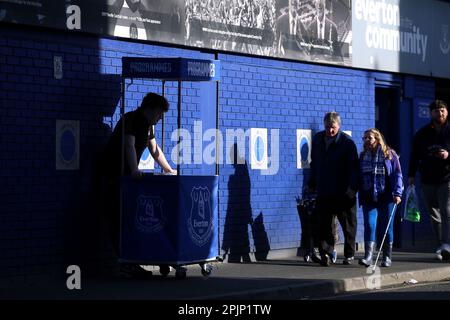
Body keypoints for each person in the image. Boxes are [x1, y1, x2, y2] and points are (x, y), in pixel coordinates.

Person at [101, 92, 176, 277]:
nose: (160, 117)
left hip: (129, 179)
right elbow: (129, 145)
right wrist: (134, 170)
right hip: (114, 175)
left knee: (132, 217)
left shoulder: (149, 126)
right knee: (119, 218)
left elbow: (154, 149)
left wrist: (169, 170)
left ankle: (133, 260)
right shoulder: (131, 119)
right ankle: (125, 261)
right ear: (149, 109)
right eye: (159, 113)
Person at [308, 111, 359, 266]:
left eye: (333, 127)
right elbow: (314, 163)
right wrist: (312, 182)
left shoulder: (347, 143)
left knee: (348, 225)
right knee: (324, 224)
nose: (330, 130)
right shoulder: (317, 139)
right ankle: (327, 252)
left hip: (343, 191)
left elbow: (354, 168)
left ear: (339, 126)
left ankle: (349, 254)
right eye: (327, 126)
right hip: (324, 190)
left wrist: (352, 188)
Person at [408, 100, 450, 261]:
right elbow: (414, 156)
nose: (439, 114)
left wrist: (448, 155)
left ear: (447, 112)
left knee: (446, 212)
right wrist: (411, 175)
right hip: (427, 179)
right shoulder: (422, 133)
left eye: (442, 111)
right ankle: (441, 246)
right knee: (434, 214)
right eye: (436, 111)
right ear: (431, 113)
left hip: (447, 178)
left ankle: (447, 243)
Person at [358, 129, 403, 267]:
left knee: (386, 227)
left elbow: (397, 174)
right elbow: (359, 176)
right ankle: (368, 257)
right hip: (369, 196)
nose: (366, 140)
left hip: (387, 196)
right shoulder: (363, 155)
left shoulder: (389, 155)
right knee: (370, 225)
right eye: (364, 138)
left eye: (369, 138)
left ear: (377, 139)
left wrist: (398, 193)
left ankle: (387, 257)